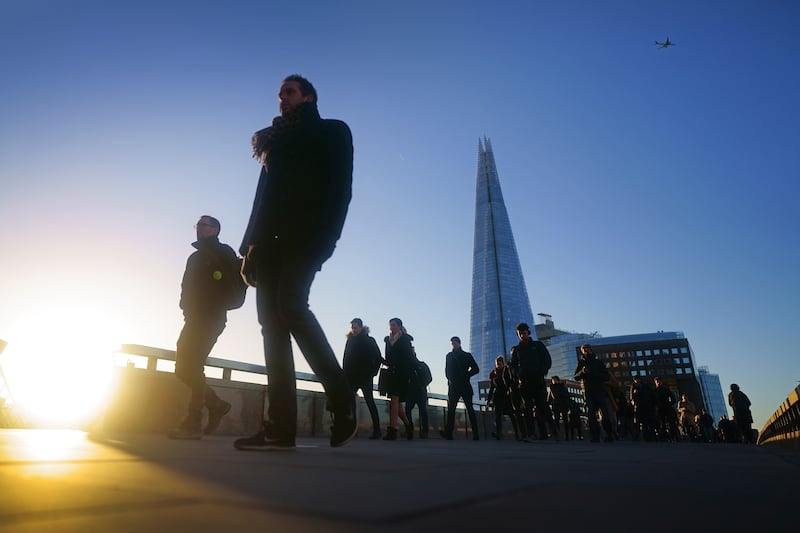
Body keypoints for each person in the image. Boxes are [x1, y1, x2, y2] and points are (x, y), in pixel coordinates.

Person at [234, 74, 356, 451]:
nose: (281, 99)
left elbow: (341, 189)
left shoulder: (333, 131)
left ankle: (340, 397)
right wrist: (248, 248)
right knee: (270, 326)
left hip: (306, 237)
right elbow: (262, 199)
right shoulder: (274, 142)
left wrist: (328, 239)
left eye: (288, 92)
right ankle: (280, 427)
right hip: (267, 244)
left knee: (291, 306)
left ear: (308, 96)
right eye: (278, 95)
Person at [168, 215, 235, 440]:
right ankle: (216, 404)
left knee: (194, 364)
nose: (198, 229)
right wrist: (185, 306)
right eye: (197, 226)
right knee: (182, 368)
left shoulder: (224, 253)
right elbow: (185, 286)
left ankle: (192, 422)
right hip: (193, 318)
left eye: (204, 226)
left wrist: (216, 305)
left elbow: (234, 284)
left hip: (212, 318)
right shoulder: (194, 257)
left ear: (215, 230)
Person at [510, 323, 558, 440]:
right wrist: (518, 374)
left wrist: (541, 372)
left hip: (538, 381)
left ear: (528, 332)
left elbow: (547, 360)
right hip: (525, 383)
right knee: (527, 409)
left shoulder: (538, 345)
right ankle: (530, 434)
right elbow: (513, 366)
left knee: (544, 407)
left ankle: (555, 432)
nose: (522, 335)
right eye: (519, 334)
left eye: (524, 333)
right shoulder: (517, 349)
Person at [342, 318, 383, 440]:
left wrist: (373, 373)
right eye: (352, 327)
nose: (353, 330)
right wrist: (344, 373)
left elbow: (378, 357)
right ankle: (349, 429)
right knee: (348, 403)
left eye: (355, 327)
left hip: (365, 377)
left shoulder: (369, 340)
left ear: (361, 327)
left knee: (370, 402)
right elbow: (345, 358)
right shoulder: (350, 341)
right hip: (351, 377)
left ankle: (377, 430)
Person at [440, 336, 480, 440]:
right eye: (452, 343)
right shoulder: (449, 356)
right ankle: (448, 433)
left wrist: (466, 375)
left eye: (455, 343)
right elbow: (447, 371)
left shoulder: (466, 355)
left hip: (464, 385)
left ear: (459, 343)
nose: (453, 345)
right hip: (455, 386)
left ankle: (476, 434)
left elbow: (476, 369)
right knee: (451, 409)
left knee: (469, 409)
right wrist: (450, 378)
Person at [382, 318, 415, 440]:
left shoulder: (405, 340)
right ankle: (408, 425)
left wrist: (410, 376)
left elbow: (410, 358)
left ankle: (392, 430)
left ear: (400, 327)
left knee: (394, 400)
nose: (392, 327)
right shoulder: (388, 340)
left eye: (394, 325)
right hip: (392, 373)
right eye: (390, 325)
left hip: (402, 374)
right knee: (396, 404)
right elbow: (388, 358)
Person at [573, 343, 613, 443]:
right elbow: (576, 377)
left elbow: (606, 376)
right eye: (583, 350)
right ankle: (595, 436)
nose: (586, 351)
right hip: (588, 391)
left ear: (591, 350)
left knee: (605, 414)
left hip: (599, 390)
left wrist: (595, 374)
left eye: (587, 349)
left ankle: (609, 435)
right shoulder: (581, 363)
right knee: (591, 415)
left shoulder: (598, 362)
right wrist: (582, 371)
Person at [486, 355, 519, 440]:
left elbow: (512, 382)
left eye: (500, 363)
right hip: (497, 396)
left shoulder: (507, 371)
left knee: (511, 414)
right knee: (498, 415)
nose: (498, 364)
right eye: (497, 363)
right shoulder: (493, 373)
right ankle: (499, 433)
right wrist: (488, 400)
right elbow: (491, 388)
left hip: (506, 396)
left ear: (503, 363)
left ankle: (517, 434)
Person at [404, 350, 430, 439]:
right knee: (410, 411)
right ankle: (410, 430)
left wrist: (422, 385)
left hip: (419, 392)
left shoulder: (420, 365)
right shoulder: (419, 365)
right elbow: (429, 378)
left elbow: (429, 378)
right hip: (413, 392)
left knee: (421, 411)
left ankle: (422, 431)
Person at [653, 377, 679, 442]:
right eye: (657, 382)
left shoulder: (665, 389)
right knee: (662, 423)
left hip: (666, 407)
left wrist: (669, 404)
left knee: (670, 422)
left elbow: (673, 398)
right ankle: (664, 436)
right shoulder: (654, 391)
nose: (658, 383)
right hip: (660, 409)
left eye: (659, 381)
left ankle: (672, 435)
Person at [547, 376, 570, 440]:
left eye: (554, 380)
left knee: (565, 420)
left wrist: (567, 404)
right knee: (556, 420)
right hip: (556, 405)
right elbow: (549, 397)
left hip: (563, 404)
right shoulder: (551, 387)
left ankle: (566, 435)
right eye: (552, 380)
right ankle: (558, 435)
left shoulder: (562, 387)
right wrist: (548, 404)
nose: (553, 381)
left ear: (558, 380)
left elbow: (567, 396)